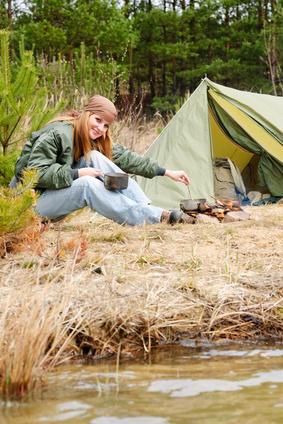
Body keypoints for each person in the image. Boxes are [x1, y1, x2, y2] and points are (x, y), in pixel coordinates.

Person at [13, 95, 193, 225]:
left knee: (95, 157)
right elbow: (34, 174)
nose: (101, 128)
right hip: (27, 206)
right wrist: (77, 173)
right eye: (98, 120)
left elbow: (126, 158)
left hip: (51, 198)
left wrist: (166, 172)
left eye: (106, 125)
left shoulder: (90, 137)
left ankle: (149, 210)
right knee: (86, 184)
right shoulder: (57, 134)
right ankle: (153, 217)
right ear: (87, 114)